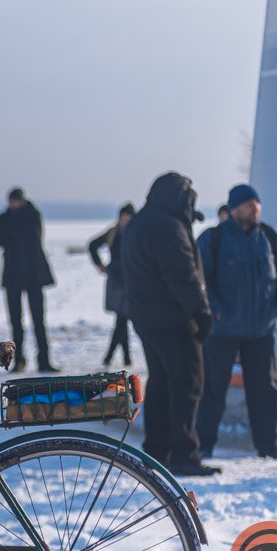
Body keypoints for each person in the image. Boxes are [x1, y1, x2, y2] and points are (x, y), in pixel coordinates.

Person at [121, 172, 220, 477]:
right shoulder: (168, 227)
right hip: (174, 320)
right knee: (187, 385)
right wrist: (201, 313)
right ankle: (183, 455)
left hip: (146, 318)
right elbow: (183, 277)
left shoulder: (139, 223)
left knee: (162, 384)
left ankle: (157, 451)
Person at [195, 184, 277, 460]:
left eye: (257, 204)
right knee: (212, 390)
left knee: (265, 391)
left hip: (262, 329)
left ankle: (268, 446)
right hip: (222, 329)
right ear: (234, 208)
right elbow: (201, 278)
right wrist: (215, 310)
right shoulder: (213, 239)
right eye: (248, 205)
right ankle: (203, 444)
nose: (254, 209)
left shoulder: (271, 237)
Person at [0, 187, 57, 372]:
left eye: (13, 202)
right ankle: (18, 360)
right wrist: (13, 236)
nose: (11, 205)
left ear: (20, 201)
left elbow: (33, 238)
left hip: (33, 275)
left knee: (38, 320)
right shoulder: (5, 217)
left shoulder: (33, 215)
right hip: (13, 276)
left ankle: (44, 360)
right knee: (15, 322)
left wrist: (10, 236)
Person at [88, 203, 135, 367]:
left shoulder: (135, 233)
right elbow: (92, 245)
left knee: (122, 319)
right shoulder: (113, 232)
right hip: (116, 279)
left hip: (130, 279)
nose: (124, 221)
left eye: (127, 218)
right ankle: (121, 358)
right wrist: (100, 265)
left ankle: (113, 357)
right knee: (122, 318)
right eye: (122, 218)